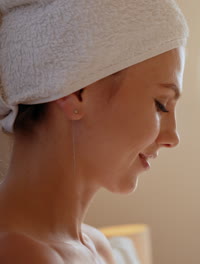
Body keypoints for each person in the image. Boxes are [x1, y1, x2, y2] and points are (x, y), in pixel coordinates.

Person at [0, 0, 188, 263]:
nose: (172, 137)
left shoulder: (96, 247)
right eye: (160, 104)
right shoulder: (18, 254)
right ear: (77, 92)